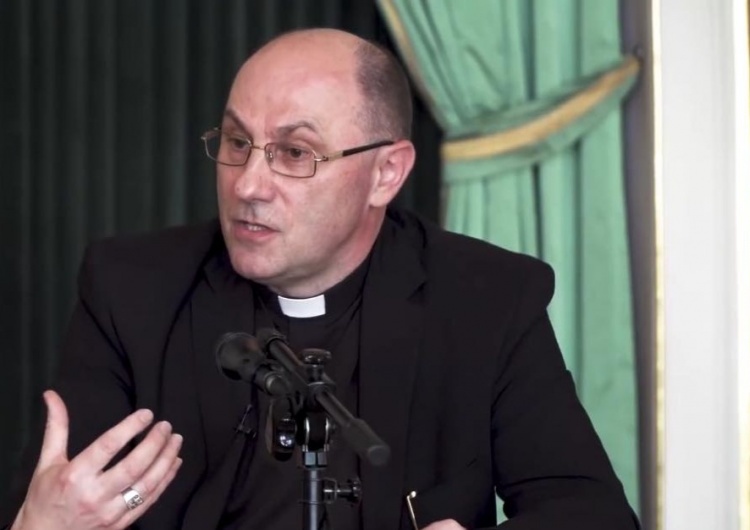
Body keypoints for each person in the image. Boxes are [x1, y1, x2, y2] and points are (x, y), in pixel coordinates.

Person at [2, 28, 640, 530]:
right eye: (236, 142)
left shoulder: (485, 298)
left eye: (294, 153)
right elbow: (60, 500)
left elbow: (591, 513)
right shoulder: (133, 290)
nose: (248, 185)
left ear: (386, 174)